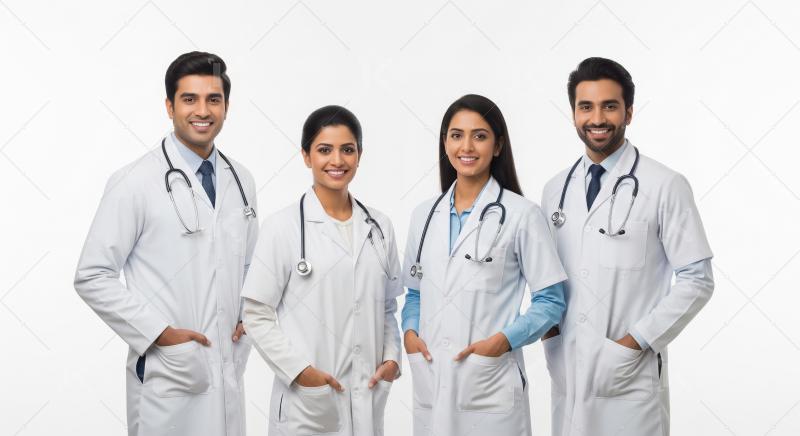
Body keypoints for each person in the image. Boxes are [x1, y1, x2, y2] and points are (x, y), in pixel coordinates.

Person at [74, 51, 259, 436]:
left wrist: (248, 313)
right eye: (189, 99)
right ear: (169, 106)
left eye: (214, 99)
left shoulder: (241, 181)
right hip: (169, 373)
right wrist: (160, 333)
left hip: (226, 370)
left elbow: (247, 266)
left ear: (226, 106)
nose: (202, 111)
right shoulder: (135, 182)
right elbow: (92, 275)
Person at [541, 57, 715, 436]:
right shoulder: (555, 190)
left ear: (629, 112)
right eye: (586, 106)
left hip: (629, 377)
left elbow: (697, 279)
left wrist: (634, 343)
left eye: (610, 106)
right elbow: (546, 278)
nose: (597, 118)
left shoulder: (664, 185)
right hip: (567, 371)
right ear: (573, 114)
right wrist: (550, 335)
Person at [401, 94, 567, 435]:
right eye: (456, 134)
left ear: (498, 145)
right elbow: (415, 293)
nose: (467, 146)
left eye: (480, 135)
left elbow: (551, 301)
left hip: (491, 385)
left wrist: (503, 341)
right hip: (432, 377)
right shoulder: (424, 215)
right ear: (445, 142)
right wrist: (410, 334)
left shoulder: (523, 215)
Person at [241, 105, 403, 436]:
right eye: (324, 150)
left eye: (348, 149)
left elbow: (387, 306)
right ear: (305, 155)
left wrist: (391, 359)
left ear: (359, 155)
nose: (337, 161)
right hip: (308, 405)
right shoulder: (282, 228)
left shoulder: (379, 227)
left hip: (367, 396)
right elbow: (256, 314)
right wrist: (301, 373)